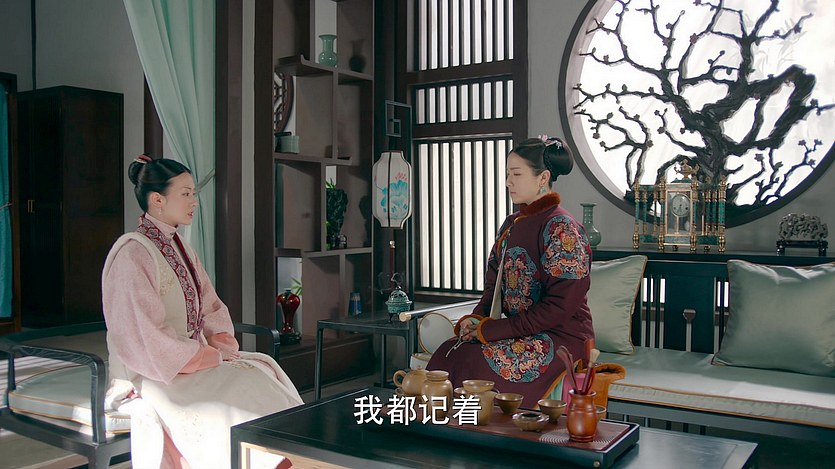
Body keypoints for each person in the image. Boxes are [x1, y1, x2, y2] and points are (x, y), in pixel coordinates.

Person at [101, 155, 303, 469]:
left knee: (257, 377)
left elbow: (211, 306)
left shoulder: (181, 247)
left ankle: (297, 457)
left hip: (194, 359)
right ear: (157, 200)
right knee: (231, 402)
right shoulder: (132, 254)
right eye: (185, 194)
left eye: (194, 193)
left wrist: (219, 345)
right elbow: (143, 335)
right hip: (155, 371)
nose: (194, 201)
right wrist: (201, 357)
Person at [427, 136, 594, 408]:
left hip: (561, 336)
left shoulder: (563, 228)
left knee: (474, 361)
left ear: (543, 178)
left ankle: (484, 429)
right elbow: (492, 291)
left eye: (516, 174)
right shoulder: (511, 225)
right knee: (449, 350)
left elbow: (558, 308)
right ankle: (440, 426)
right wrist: (475, 320)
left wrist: (493, 330)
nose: (508, 182)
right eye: (507, 174)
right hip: (520, 332)